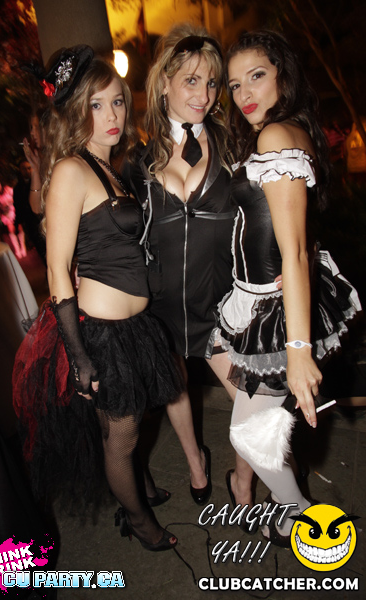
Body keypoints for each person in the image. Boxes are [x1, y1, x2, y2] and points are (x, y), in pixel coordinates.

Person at [13, 46, 183, 551]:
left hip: (131, 327)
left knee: (130, 422)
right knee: (120, 436)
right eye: (96, 105)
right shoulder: (71, 170)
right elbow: (57, 269)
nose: (112, 115)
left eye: (117, 102)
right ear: (75, 111)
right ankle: (139, 521)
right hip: (101, 333)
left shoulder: (107, 167)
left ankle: (140, 486)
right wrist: (79, 354)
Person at [216, 30, 362, 545]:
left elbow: (295, 250)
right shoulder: (289, 129)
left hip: (275, 312)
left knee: (246, 433)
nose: (244, 93)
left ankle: (300, 514)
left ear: (283, 73)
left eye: (256, 76)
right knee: (255, 418)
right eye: (235, 84)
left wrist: (299, 351)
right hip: (259, 300)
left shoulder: (276, 136)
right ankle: (279, 502)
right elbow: (296, 233)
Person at [125, 23, 256, 508]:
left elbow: (261, 218)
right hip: (161, 304)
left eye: (212, 83)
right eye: (191, 81)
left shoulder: (234, 147)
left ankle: (242, 481)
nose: (204, 95)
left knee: (255, 399)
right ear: (165, 83)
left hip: (221, 308)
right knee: (174, 386)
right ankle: (196, 462)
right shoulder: (137, 163)